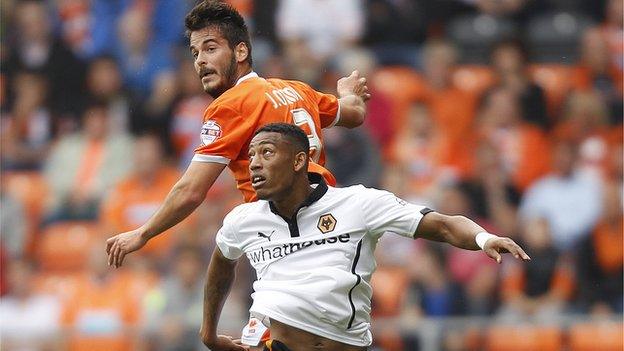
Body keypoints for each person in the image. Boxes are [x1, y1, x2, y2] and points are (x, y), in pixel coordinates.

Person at [201, 123, 530, 351]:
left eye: (267, 153)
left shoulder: (357, 203)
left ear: (300, 161)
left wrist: (483, 239)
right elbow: (221, 264)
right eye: (252, 156)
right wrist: (209, 332)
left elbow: (442, 225)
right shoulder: (243, 220)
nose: (255, 164)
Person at [106, 0, 369, 268]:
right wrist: (348, 92)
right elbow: (354, 113)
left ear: (241, 51)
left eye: (210, 48)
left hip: (280, 234)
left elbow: (192, 191)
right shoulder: (297, 90)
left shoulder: (231, 104)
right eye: (195, 52)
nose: (201, 61)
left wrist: (143, 232)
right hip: (327, 225)